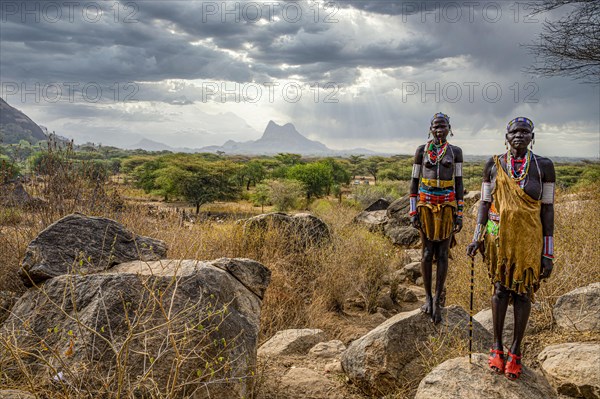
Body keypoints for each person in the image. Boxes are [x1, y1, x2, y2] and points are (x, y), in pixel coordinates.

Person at [466, 117, 555, 380]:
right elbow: (484, 203)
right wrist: (476, 236)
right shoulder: (493, 166)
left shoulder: (543, 167)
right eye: (514, 131)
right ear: (506, 136)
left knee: (524, 293)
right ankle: (496, 347)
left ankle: (515, 350)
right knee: (500, 289)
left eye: (524, 131)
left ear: (532, 136)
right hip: (497, 237)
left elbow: (548, 209)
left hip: (530, 239)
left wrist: (548, 251)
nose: (519, 135)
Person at [410, 112, 464, 324]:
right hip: (425, 205)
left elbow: (459, 182)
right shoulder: (421, 151)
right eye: (436, 126)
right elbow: (414, 181)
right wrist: (413, 210)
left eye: (443, 126)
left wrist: (459, 213)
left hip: (447, 206)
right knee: (425, 252)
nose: (439, 130)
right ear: (430, 129)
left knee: (442, 253)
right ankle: (428, 297)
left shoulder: (455, 152)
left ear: (449, 128)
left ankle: (439, 299)